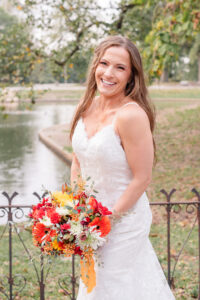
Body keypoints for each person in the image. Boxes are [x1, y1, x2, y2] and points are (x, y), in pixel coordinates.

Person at [69, 35, 175, 300]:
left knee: (113, 288)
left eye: (120, 67)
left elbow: (142, 177)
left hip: (123, 221)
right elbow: (77, 160)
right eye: (104, 63)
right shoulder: (86, 108)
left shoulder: (131, 115)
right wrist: (77, 208)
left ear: (131, 76)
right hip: (90, 222)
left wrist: (106, 219)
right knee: (94, 287)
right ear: (95, 66)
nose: (108, 73)